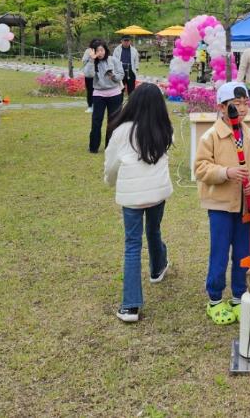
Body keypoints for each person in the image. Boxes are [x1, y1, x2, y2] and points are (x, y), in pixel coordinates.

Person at [194, 81, 250, 325]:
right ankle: (215, 298)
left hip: (245, 207)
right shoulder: (211, 136)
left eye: (245, 103)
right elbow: (201, 168)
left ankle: (239, 295)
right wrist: (226, 172)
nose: (242, 108)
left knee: (243, 253)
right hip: (220, 206)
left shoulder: (249, 134)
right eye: (235, 104)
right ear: (221, 107)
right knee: (219, 252)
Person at [104, 83, 174, 323]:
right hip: (157, 193)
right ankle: (157, 268)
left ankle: (130, 306)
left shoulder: (121, 131)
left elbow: (111, 164)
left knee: (132, 245)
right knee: (153, 230)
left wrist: (109, 181)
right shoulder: (164, 129)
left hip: (132, 197)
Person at [82, 39, 124, 153]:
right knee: (96, 121)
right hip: (98, 94)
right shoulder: (91, 62)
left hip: (114, 94)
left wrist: (113, 76)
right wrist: (91, 60)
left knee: (113, 121)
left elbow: (121, 74)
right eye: (97, 51)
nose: (100, 53)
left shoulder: (113, 60)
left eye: (102, 50)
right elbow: (89, 75)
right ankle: (93, 147)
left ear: (105, 50)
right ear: (93, 52)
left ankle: (110, 148)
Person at [82, 38, 99, 113]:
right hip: (89, 74)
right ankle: (90, 106)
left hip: (99, 74)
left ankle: (97, 105)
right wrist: (91, 59)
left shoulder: (100, 50)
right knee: (90, 90)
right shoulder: (88, 51)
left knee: (98, 90)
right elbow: (84, 60)